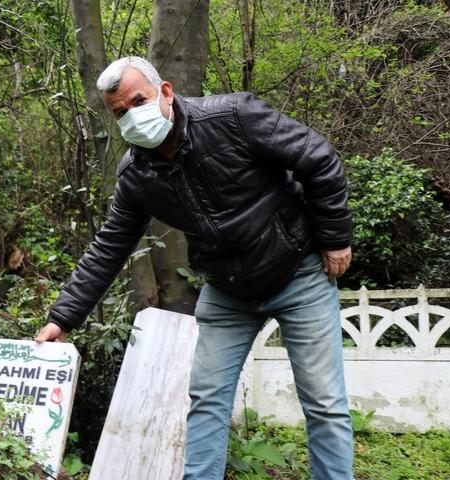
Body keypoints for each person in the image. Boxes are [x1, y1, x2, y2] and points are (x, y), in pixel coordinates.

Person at [34, 56, 354, 480]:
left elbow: (319, 158)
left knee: (324, 402)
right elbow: (110, 245)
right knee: (206, 399)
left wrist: (335, 237)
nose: (132, 116)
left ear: (165, 91)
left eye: (139, 101)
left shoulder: (234, 117)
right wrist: (63, 317)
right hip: (228, 288)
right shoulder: (136, 175)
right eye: (120, 113)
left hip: (297, 271)